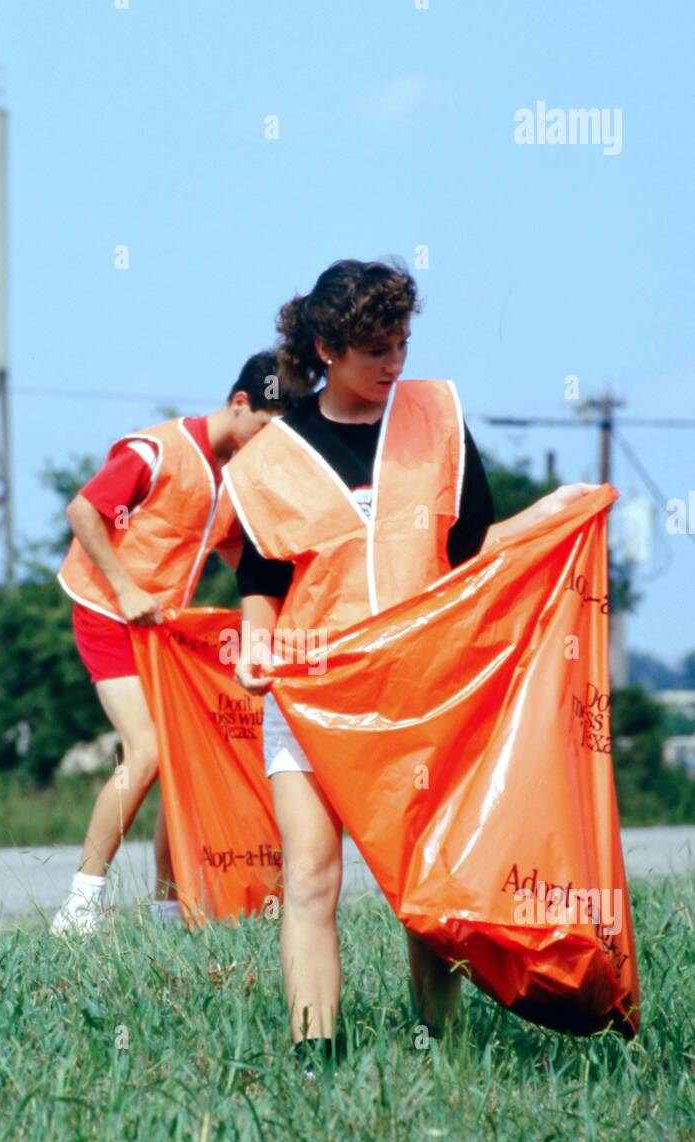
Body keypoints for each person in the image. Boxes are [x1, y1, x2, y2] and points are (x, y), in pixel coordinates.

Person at [224, 260, 595, 1064]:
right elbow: (261, 578)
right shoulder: (269, 458)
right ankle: (314, 1055)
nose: (394, 364)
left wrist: (553, 517)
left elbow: (471, 550)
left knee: (426, 887)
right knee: (311, 877)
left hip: (425, 692)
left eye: (401, 343)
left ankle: (443, 1046)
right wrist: (256, 636)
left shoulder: (435, 419)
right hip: (313, 694)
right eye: (374, 351)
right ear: (324, 348)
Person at [53, 351, 290, 936]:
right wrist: (125, 586)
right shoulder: (156, 449)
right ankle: (81, 904)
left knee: (181, 762)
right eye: (264, 428)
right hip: (107, 611)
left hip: (164, 632)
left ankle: (167, 909)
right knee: (148, 752)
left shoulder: (235, 475)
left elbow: (236, 552)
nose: (267, 443)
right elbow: (83, 511)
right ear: (240, 404)